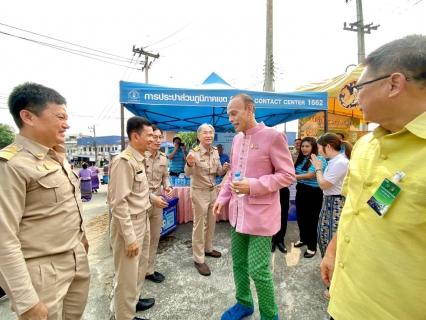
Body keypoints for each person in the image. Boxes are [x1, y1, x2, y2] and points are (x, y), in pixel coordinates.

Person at [321, 35, 426, 320]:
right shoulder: (367, 145)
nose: (355, 98)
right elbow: (357, 210)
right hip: (342, 304)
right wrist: (333, 249)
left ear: (394, 84)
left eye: (359, 87)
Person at [0, 82, 90, 319]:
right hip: (42, 272)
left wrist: (81, 237)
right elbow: (3, 238)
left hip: (75, 258)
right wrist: (26, 301)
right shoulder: (11, 165)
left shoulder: (56, 157)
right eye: (60, 116)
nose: (66, 124)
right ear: (28, 116)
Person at [213, 93, 295, 320]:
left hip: (262, 216)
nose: (230, 118)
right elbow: (233, 175)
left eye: (234, 113)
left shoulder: (273, 136)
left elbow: (287, 175)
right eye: (228, 114)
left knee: (258, 269)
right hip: (238, 214)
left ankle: (270, 315)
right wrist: (222, 200)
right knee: (238, 263)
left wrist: (254, 185)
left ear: (250, 109)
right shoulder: (238, 139)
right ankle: (244, 303)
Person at [108, 116, 155, 320]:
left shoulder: (139, 159)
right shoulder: (123, 162)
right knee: (126, 277)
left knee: (139, 267)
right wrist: (129, 237)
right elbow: (118, 203)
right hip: (129, 223)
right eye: (149, 135)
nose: (153, 139)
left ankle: (133, 303)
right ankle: (124, 316)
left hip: (142, 220)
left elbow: (138, 193)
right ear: (135, 136)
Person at [310, 133, 352, 300]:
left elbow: (323, 184)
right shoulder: (335, 161)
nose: (319, 153)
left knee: (331, 243)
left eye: (320, 149)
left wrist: (318, 167)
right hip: (330, 204)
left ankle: (334, 284)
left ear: (327, 147)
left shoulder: (341, 162)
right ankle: (330, 278)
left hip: (336, 205)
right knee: (325, 239)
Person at [185, 124, 230, 276]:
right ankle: (198, 259)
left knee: (211, 222)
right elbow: (188, 172)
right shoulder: (194, 153)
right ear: (199, 136)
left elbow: (216, 172)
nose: (209, 135)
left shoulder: (215, 151)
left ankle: (208, 249)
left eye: (211, 132)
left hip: (212, 192)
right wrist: (189, 163)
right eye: (205, 133)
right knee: (199, 226)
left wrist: (224, 168)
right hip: (199, 192)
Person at [145, 124, 174, 283]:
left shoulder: (163, 157)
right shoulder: (141, 157)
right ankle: (136, 272)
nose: (157, 140)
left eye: (160, 137)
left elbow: (165, 176)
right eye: (154, 137)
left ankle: (149, 270)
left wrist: (168, 187)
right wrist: (153, 198)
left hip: (157, 202)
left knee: (154, 237)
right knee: (141, 240)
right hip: (141, 203)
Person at [293, 137, 327, 258]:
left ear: (313, 147)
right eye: (302, 146)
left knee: (311, 220)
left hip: (313, 193)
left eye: (307, 146)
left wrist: (292, 177)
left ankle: (312, 247)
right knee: (301, 217)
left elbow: (310, 175)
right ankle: (304, 239)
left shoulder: (318, 159)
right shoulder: (302, 158)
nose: (304, 148)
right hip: (301, 190)